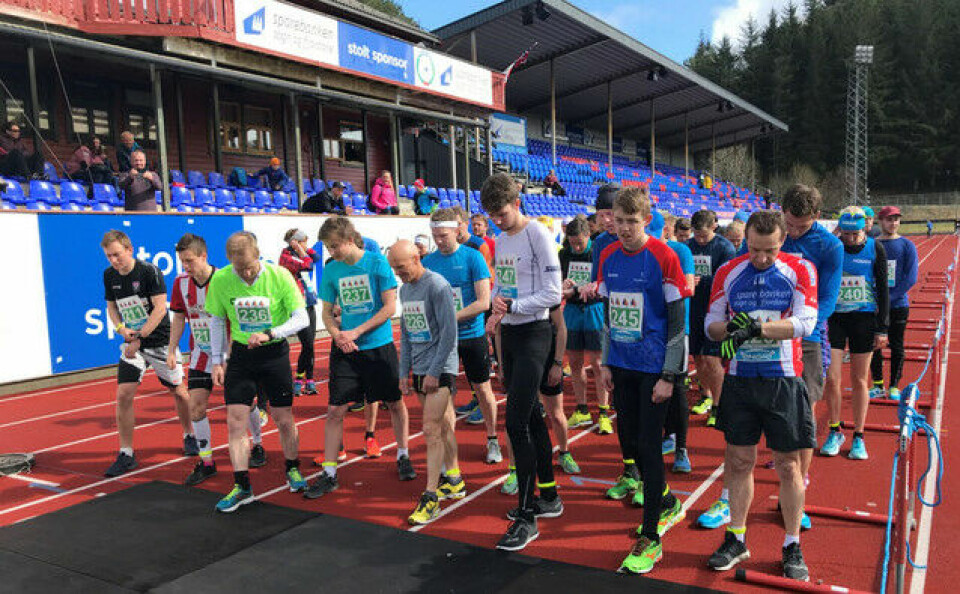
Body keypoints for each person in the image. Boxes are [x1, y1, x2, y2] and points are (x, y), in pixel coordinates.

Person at [702, 184, 843, 532]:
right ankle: (728, 501)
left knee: (803, 418)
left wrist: (779, 328)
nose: (795, 231)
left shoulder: (827, 247)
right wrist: (738, 328)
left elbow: (823, 302)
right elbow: (713, 322)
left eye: (801, 227)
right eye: (790, 224)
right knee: (739, 451)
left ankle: (794, 497)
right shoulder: (742, 259)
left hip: (802, 339)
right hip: (747, 361)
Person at [704, 210, 817, 582]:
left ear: (782, 241)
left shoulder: (800, 270)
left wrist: (758, 328)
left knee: (788, 466)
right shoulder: (728, 271)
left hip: (782, 379)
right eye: (754, 249)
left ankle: (791, 543)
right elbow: (711, 324)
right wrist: (730, 330)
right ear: (745, 240)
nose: (761, 258)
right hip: (739, 379)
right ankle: (736, 538)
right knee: (738, 462)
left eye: (769, 250)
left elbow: (805, 322)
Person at [596, 187, 690, 574]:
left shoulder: (664, 256)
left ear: (646, 220)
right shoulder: (606, 254)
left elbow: (678, 324)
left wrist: (670, 375)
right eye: (619, 221)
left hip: (655, 367)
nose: (625, 229)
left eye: (632, 222)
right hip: (621, 363)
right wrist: (604, 362)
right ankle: (665, 501)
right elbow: (608, 312)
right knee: (631, 443)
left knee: (650, 449)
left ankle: (651, 537)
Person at [305, 216, 415, 498]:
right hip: (345, 349)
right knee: (335, 409)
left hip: (378, 346)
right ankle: (329, 472)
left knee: (394, 402)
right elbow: (327, 313)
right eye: (328, 248)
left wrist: (357, 331)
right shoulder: (331, 271)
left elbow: (390, 307)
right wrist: (337, 335)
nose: (331, 252)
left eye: (334, 246)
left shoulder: (378, 264)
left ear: (350, 240)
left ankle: (402, 454)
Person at [482, 172, 563, 552]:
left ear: (516, 203)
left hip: (535, 333)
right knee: (530, 418)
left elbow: (550, 293)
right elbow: (504, 283)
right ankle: (548, 496)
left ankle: (527, 516)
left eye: (501, 213)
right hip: (510, 333)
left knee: (515, 422)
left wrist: (514, 306)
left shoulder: (539, 235)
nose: (497, 220)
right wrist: (496, 310)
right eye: (491, 215)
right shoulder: (500, 238)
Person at [204, 231, 309, 512]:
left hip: (274, 352)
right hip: (241, 356)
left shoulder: (280, 276)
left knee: (283, 417)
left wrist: (270, 332)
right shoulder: (222, 280)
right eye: (240, 269)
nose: (247, 273)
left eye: (250, 266)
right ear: (229, 262)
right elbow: (216, 320)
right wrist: (217, 360)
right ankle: (241, 485)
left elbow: (302, 317)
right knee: (235, 421)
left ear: (258, 253)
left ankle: (292, 467)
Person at [168, 233, 268, 485]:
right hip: (200, 353)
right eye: (182, 262)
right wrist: (172, 349)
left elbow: (237, 319)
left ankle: (257, 444)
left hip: (231, 353)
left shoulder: (225, 279)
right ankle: (207, 460)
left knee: (245, 404)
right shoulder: (181, 283)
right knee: (197, 406)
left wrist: (232, 353)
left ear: (204, 256)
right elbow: (179, 317)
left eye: (189, 261)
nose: (186, 267)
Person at [100, 230, 194, 477]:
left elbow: (161, 309)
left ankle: (189, 435)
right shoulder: (109, 275)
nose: (113, 260)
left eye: (117, 255)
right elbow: (111, 308)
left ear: (129, 250)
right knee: (123, 394)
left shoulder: (149, 271)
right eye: (109, 256)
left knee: (180, 392)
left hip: (159, 342)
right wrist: (121, 329)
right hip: (132, 343)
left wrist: (139, 337)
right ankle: (126, 453)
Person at [390, 240, 463, 525]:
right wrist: (403, 372)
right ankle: (454, 478)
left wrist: (434, 371)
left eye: (401, 267)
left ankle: (430, 496)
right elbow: (407, 333)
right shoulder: (405, 289)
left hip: (441, 367)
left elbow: (449, 333)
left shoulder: (438, 286)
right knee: (443, 425)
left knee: (430, 430)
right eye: (394, 268)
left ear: (416, 257)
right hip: (420, 367)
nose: (398, 273)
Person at [424, 208, 503, 466]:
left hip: (471, 335)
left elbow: (482, 302)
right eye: (434, 235)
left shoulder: (472, 258)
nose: (438, 241)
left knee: (482, 389)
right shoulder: (428, 263)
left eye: (443, 235)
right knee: (444, 393)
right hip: (443, 340)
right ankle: (449, 451)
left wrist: (450, 317)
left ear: (457, 231)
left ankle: (492, 439)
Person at [821, 206, 889, 461]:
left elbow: (883, 289)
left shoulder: (875, 249)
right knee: (832, 378)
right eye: (847, 233)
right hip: (836, 318)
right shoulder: (833, 248)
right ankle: (835, 430)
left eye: (856, 234)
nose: (851, 238)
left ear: (866, 229)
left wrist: (883, 327)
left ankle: (859, 435)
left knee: (860, 379)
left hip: (864, 318)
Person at [559, 215, 612, 437]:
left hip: (594, 310)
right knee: (575, 361)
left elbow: (603, 281)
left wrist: (584, 288)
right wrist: (565, 284)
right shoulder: (564, 254)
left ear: (588, 236)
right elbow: (560, 279)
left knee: (598, 363)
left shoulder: (597, 252)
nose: (577, 247)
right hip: (572, 311)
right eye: (573, 243)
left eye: (580, 242)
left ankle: (603, 413)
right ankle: (581, 409)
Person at [655, 212, 696, 474]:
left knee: (677, 387)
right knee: (653, 388)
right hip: (648, 333)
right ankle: (665, 437)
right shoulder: (640, 254)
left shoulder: (680, 251)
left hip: (676, 331)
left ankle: (681, 447)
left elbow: (687, 286)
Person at [687, 210, 736, 427]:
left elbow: (727, 278)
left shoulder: (725, 248)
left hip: (715, 310)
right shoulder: (688, 246)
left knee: (712, 359)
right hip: (693, 308)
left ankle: (718, 405)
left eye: (703, 236)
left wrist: (703, 280)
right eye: (697, 235)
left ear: (714, 227)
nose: (700, 240)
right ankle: (705, 395)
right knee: (697, 356)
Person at [871, 206, 917, 401]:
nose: (893, 223)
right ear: (880, 222)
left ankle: (894, 386)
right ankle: (878, 384)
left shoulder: (907, 245)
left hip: (897, 305)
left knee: (897, 346)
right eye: (889, 219)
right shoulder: (871, 245)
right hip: (874, 305)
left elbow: (911, 277)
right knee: (875, 345)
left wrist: (889, 299)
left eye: (896, 219)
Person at [278, 229, 321, 396]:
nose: (307, 244)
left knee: (310, 345)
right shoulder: (285, 257)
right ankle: (298, 379)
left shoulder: (302, 251)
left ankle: (308, 380)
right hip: (297, 303)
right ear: (294, 242)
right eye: (304, 241)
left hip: (309, 301)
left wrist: (303, 249)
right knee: (307, 343)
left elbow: (316, 258)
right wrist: (301, 251)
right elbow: (307, 265)